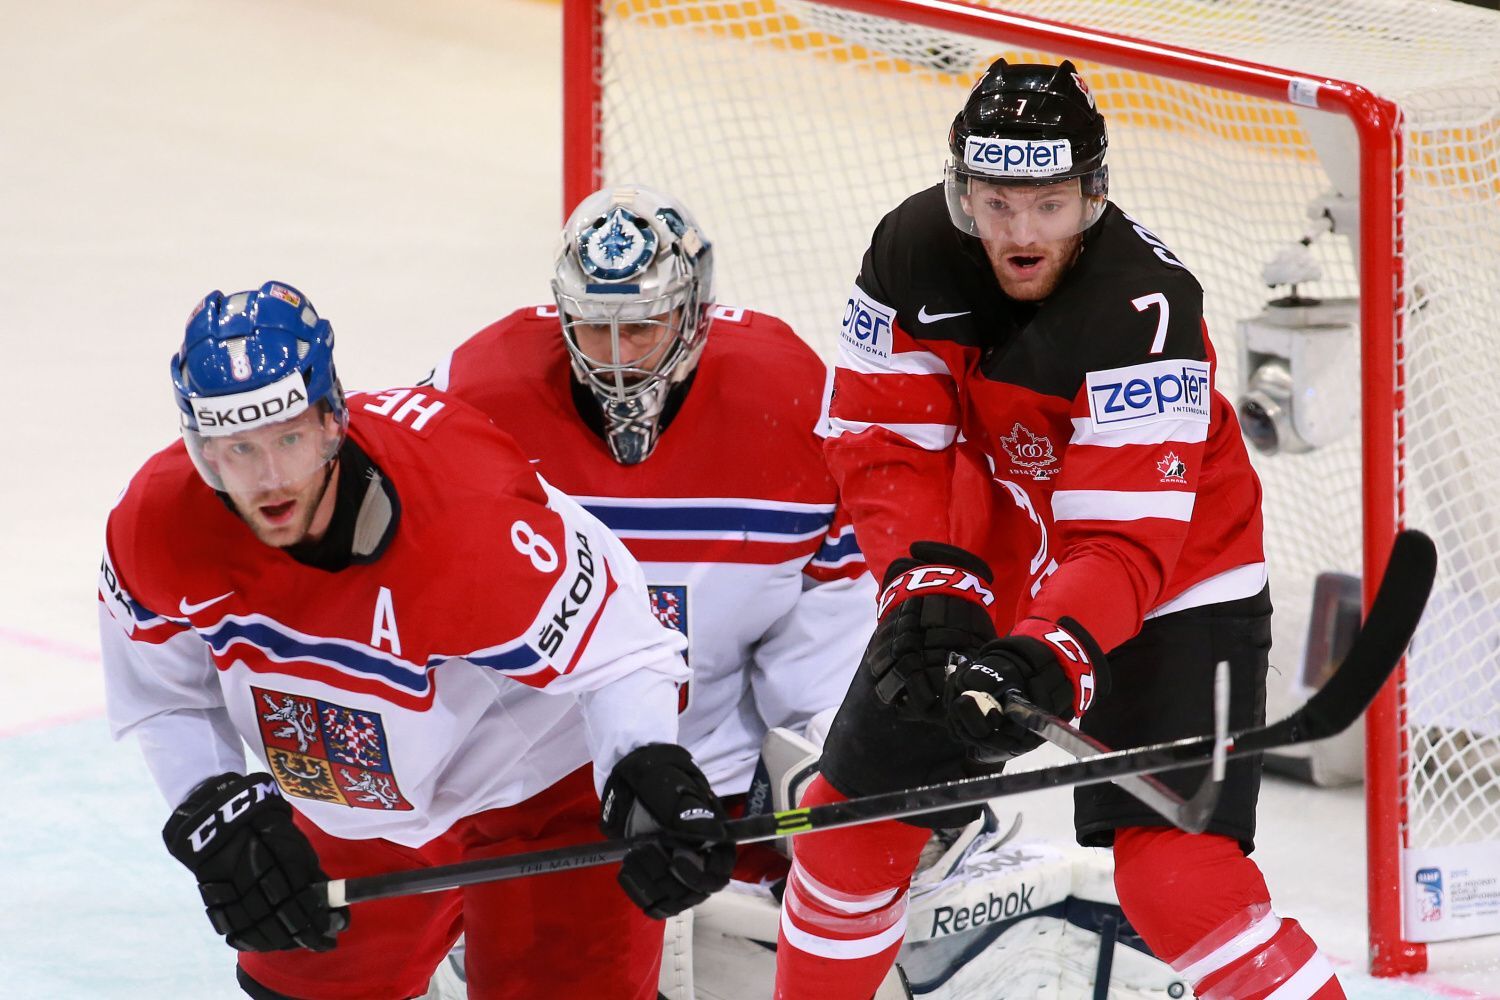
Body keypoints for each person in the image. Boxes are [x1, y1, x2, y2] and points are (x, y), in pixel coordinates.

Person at [773, 60, 1345, 1000]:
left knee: (1179, 884)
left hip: (1176, 590)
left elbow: (1123, 545)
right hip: (995, 563)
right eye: (996, 203)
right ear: (961, 193)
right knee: (850, 837)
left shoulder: (1144, 308)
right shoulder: (910, 251)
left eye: (1049, 204)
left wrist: (1051, 653)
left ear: (1094, 193)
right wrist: (927, 584)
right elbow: (885, 442)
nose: (1021, 233)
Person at [97, 281, 734, 1000]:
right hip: (351, 791)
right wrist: (216, 806)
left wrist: (645, 767)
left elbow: (623, 644)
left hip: (539, 788)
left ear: (332, 420)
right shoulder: (158, 523)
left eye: (289, 439)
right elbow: (164, 694)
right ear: (200, 448)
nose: (270, 479)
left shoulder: (467, 517)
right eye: (238, 449)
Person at [427, 185, 875, 879]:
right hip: (522, 787)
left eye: (639, 327)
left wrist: (826, 752)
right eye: (591, 326)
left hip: (716, 784)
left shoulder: (788, 403)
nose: (614, 356)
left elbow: (829, 612)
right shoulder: (472, 396)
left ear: (694, 314)